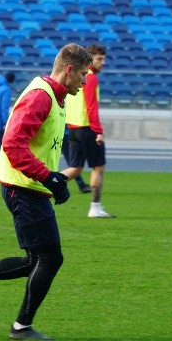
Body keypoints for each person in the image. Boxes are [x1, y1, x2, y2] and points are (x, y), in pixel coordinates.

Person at [0, 43, 93, 340]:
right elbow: (12, 145)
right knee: (50, 259)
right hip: (23, 188)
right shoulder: (41, 96)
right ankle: (21, 326)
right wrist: (46, 178)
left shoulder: (55, 95)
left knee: (34, 261)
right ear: (69, 70)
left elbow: (45, 142)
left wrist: (56, 181)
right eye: (83, 74)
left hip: (29, 187)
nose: (85, 81)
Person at [63, 43, 115, 218]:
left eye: (104, 59)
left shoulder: (77, 76)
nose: (103, 62)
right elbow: (91, 106)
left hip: (73, 127)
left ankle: (42, 188)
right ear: (89, 59)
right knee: (98, 167)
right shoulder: (90, 77)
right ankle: (95, 207)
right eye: (99, 59)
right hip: (87, 128)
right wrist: (98, 130)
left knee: (75, 169)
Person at [61, 126, 90, 193]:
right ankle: (81, 185)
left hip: (69, 133)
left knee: (73, 164)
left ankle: (81, 185)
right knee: (73, 164)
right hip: (67, 134)